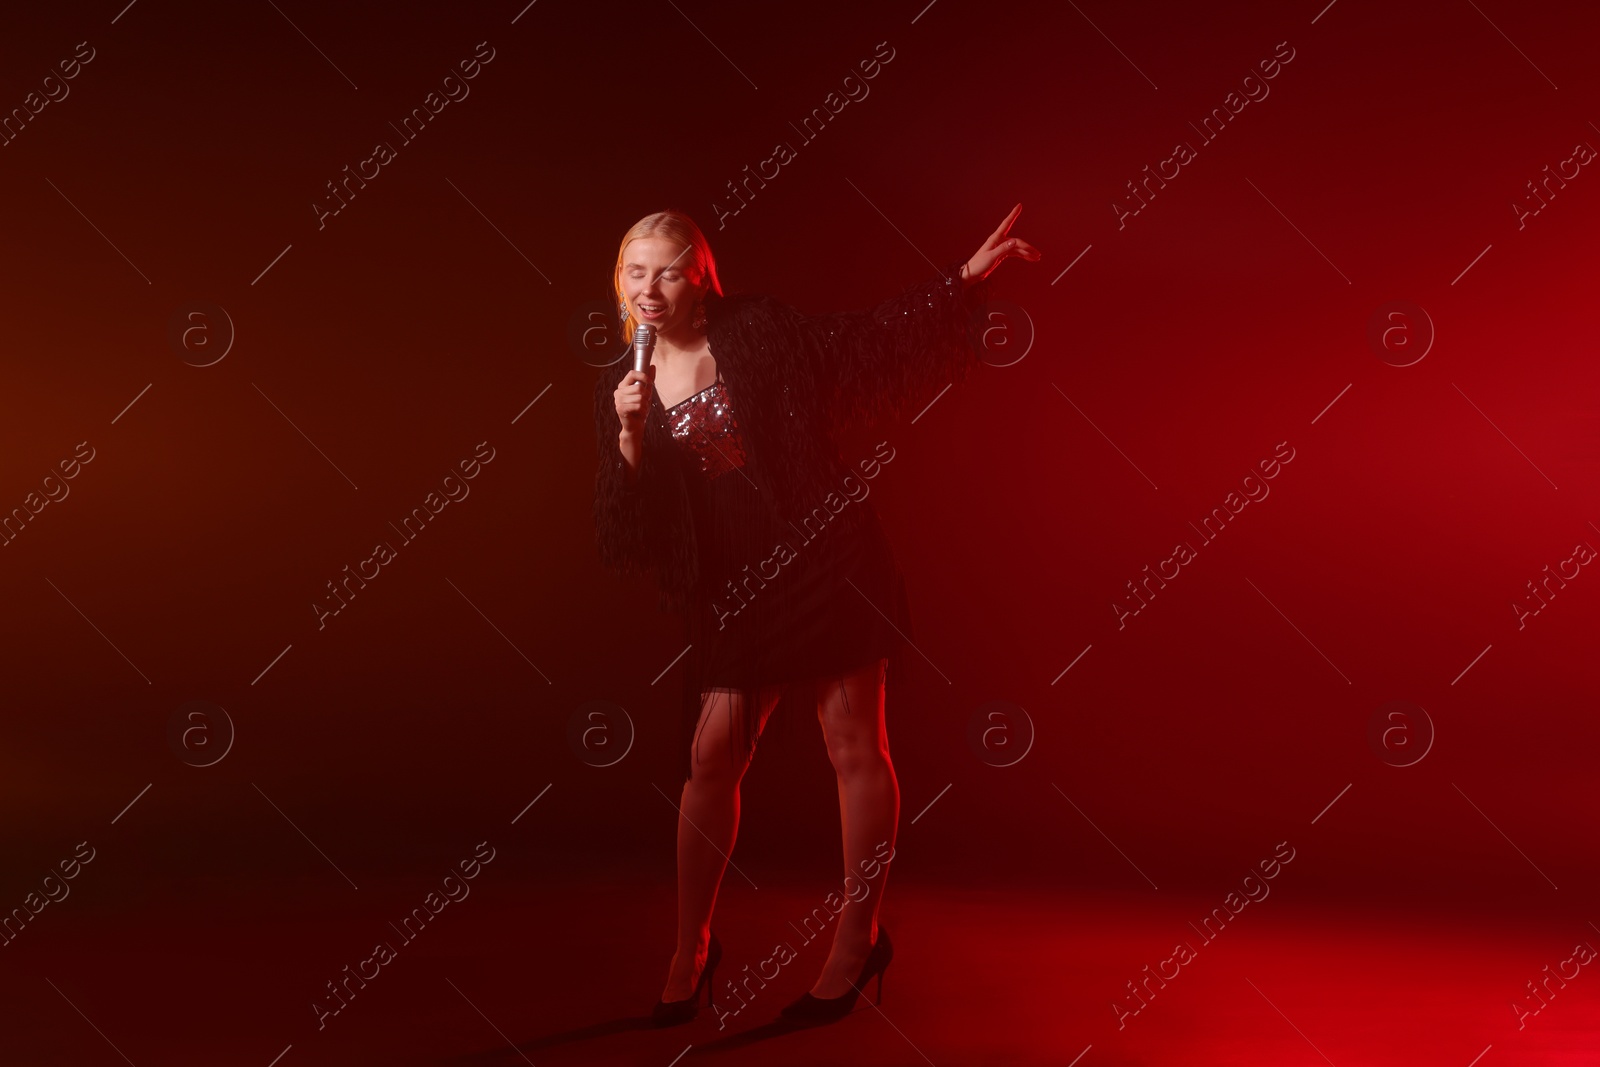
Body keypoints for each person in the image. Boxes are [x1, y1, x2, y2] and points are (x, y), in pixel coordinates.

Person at [591, 205, 1039, 1027]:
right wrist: (628, 434)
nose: (646, 289)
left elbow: (859, 342)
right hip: (736, 584)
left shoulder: (759, 329)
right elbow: (638, 526)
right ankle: (690, 947)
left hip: (828, 556)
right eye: (633, 272)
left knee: (853, 744)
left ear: (699, 276)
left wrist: (962, 282)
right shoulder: (630, 380)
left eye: (664, 271)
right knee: (711, 758)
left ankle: (856, 940)